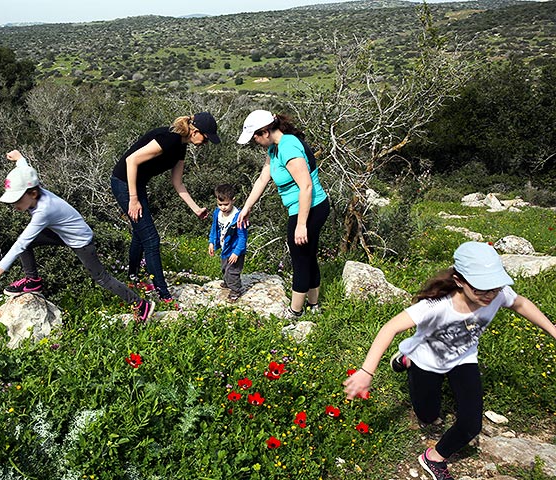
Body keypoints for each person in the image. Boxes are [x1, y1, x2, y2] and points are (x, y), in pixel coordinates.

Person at [343, 241, 556, 480]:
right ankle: (407, 358)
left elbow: (520, 303)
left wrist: (553, 331)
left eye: (494, 287)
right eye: (480, 289)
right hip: (426, 361)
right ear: (459, 281)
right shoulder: (435, 306)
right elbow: (389, 328)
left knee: (470, 424)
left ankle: (433, 458)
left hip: (463, 358)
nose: (490, 295)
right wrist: (366, 372)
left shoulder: (497, 293)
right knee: (428, 416)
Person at [0, 150, 154, 323]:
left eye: (17, 199)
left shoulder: (44, 210)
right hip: (62, 234)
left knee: (101, 278)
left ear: (32, 193)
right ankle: (33, 281)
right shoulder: (33, 190)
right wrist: (19, 158)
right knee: (25, 244)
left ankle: (141, 305)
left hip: (81, 240)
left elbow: (22, 242)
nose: (14, 205)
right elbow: (26, 170)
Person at [111, 112, 220, 302]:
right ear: (195, 131)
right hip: (123, 183)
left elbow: (177, 183)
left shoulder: (181, 147)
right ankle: (164, 295)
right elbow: (131, 161)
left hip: (137, 184)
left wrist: (195, 208)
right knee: (152, 239)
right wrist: (133, 198)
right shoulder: (169, 138)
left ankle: (132, 279)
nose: (206, 142)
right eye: (206, 137)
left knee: (140, 232)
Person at [236, 110, 330, 319]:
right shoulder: (275, 149)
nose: (255, 141)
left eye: (255, 137)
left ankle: (295, 312)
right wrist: (247, 207)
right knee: (308, 256)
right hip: (305, 208)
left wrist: (301, 224)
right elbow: (263, 179)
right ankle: (314, 306)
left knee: (300, 259)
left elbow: (305, 186)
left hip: (309, 208)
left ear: (265, 132)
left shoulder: (288, 147)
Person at [208, 184, 248, 302]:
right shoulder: (217, 213)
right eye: (220, 204)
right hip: (225, 247)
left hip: (235, 249)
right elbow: (214, 228)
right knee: (224, 267)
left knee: (233, 271)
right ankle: (227, 282)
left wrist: (237, 252)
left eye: (226, 204)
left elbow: (242, 237)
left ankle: (236, 290)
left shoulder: (238, 217)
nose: (223, 207)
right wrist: (212, 242)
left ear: (233, 200)